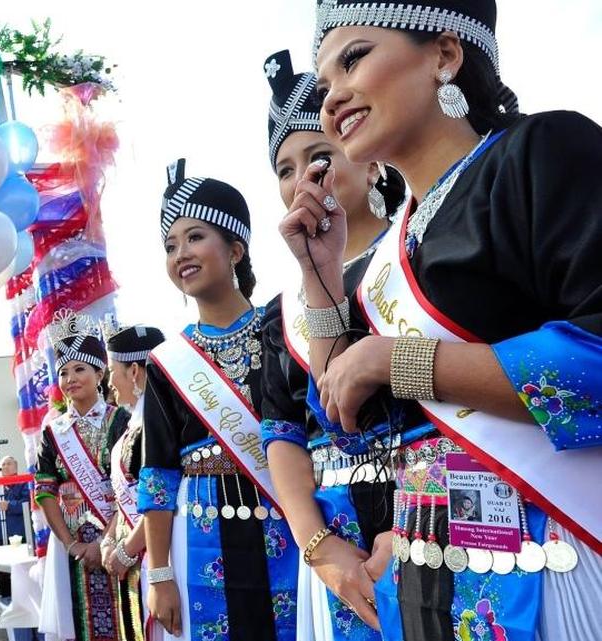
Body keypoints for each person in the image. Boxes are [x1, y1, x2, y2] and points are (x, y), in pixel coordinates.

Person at [277, 1, 602, 638]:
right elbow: (348, 412)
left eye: (354, 59)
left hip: (552, 553)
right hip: (426, 567)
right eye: (323, 86)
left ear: (445, 56)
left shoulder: (541, 152)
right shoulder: (387, 254)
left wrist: (396, 360)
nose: (332, 98)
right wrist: (321, 274)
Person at [257, 49, 410, 640]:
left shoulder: (417, 255)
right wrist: (320, 549)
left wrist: (415, 525)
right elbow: (282, 435)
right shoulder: (283, 312)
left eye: (319, 156)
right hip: (335, 550)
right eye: (285, 169)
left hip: (441, 525)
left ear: (370, 162)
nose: (303, 180)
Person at [141, 163, 299, 641]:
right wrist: (160, 575)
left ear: (235, 248)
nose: (180, 254)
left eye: (194, 237)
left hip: (288, 528)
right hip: (202, 536)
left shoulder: (284, 327)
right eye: (170, 246)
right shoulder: (167, 362)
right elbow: (158, 474)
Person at [34, 311, 130, 641]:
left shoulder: (123, 422)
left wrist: (105, 540)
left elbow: (134, 485)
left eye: (79, 369)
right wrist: (72, 544)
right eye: (63, 372)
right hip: (71, 546)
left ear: (101, 372)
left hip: (121, 538)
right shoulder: (53, 432)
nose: (70, 378)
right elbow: (45, 491)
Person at [100, 323, 165, 641]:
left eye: (113, 370)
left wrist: (126, 550)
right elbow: (123, 497)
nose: (109, 381)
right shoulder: (132, 426)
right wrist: (110, 538)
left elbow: (160, 499)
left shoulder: (157, 426)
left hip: (154, 555)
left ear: (135, 371)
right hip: (135, 554)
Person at [0, 455, 30, 598]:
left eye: (8, 464)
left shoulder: (23, 483)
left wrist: (10, 506)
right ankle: (5, 601)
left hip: (17, 536)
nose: (5, 467)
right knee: (2, 573)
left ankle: (22, 603)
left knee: (20, 572)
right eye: (3, 465)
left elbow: (28, 503)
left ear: (16, 466)